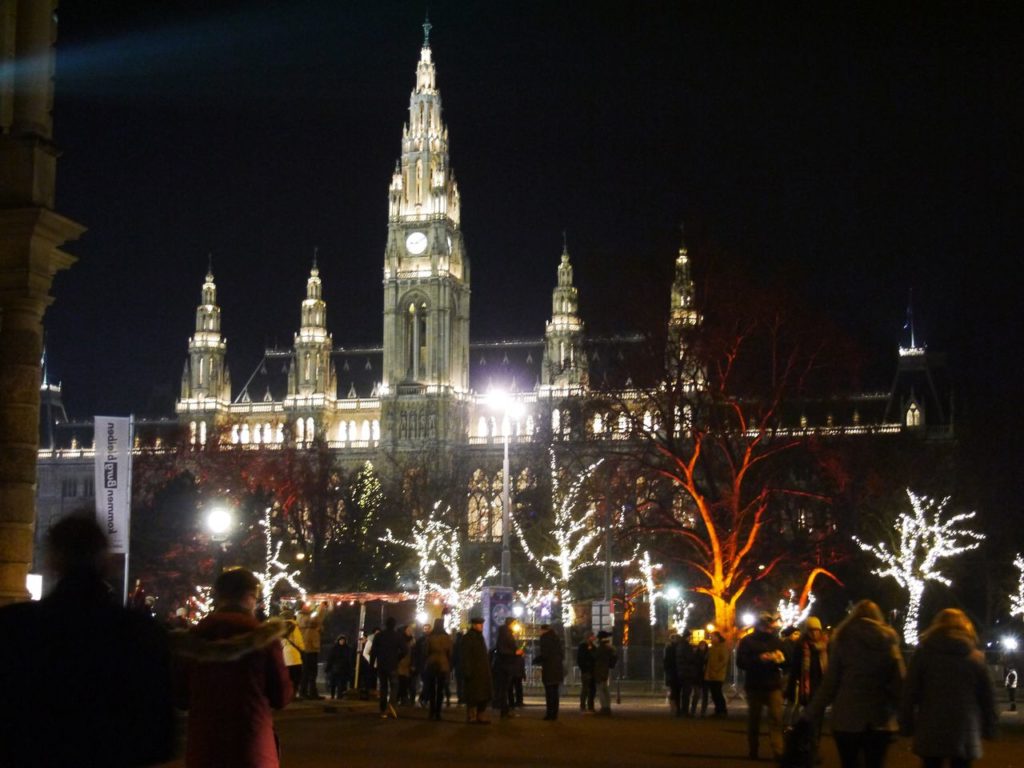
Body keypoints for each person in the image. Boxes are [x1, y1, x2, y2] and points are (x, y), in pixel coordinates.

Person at [0, 514, 175, 767]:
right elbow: (158, 736)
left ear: (52, 561)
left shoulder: (15, 626)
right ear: (106, 562)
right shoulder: (141, 632)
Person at [174, 568, 293, 768]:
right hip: (252, 748)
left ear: (219, 596)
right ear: (249, 596)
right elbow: (282, 696)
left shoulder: (191, 639)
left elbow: (180, 697)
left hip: (204, 748)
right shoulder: (264, 639)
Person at [805, 599, 904, 768]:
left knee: (850, 762)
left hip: (847, 717)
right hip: (879, 717)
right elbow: (899, 680)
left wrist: (811, 711)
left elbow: (830, 683)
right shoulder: (888, 640)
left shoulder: (843, 639)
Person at [899, 608, 997, 768]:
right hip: (964, 727)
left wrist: (906, 722)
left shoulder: (923, 655)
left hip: (930, 725)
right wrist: (990, 726)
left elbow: (909, 691)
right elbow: (987, 697)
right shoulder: (975, 658)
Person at [736, 612, 786, 761]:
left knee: (776, 719)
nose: (769, 629)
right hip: (755, 685)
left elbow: (787, 659)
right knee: (754, 719)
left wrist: (780, 659)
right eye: (766, 626)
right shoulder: (747, 641)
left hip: (773, 684)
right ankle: (753, 749)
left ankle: (778, 751)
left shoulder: (776, 641)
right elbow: (741, 662)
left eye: (770, 627)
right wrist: (759, 659)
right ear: (759, 626)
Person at [371, 616, 406, 718]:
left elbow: (373, 651)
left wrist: (372, 664)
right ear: (394, 624)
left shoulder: (379, 636)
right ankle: (392, 703)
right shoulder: (397, 636)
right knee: (394, 686)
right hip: (393, 665)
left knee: (383, 687)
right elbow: (405, 650)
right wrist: (398, 658)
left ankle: (382, 709)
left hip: (381, 664)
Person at [462, 616, 493, 724]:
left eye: (482, 624)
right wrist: (467, 670)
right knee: (473, 696)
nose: (481, 626)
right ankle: (472, 716)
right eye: (480, 624)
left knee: (482, 695)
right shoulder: (468, 638)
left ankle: (480, 715)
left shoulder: (480, 637)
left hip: (482, 671)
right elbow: (466, 656)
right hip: (474, 671)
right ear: (474, 625)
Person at [423, 618, 453, 719]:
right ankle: (438, 712)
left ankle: (431, 711)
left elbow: (426, 651)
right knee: (440, 689)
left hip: (431, 663)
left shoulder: (430, 637)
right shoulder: (446, 637)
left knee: (431, 689)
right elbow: (450, 652)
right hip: (443, 664)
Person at [297, 601, 327, 699]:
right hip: (307, 647)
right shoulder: (301, 617)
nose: (309, 606)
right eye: (306, 605)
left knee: (313, 672)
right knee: (306, 671)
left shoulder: (308, 617)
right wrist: (321, 609)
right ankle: (304, 692)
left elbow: (317, 623)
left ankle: (311, 692)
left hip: (312, 647)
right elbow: (314, 621)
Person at [535, 624, 565, 720]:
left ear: (543, 630)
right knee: (555, 693)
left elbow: (545, 654)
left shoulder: (545, 638)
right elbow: (561, 654)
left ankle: (549, 714)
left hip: (549, 669)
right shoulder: (556, 638)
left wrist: (536, 660)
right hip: (557, 669)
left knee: (549, 693)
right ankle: (554, 714)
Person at [495, 615, 522, 718]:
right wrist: (515, 653)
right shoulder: (505, 634)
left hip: (507, 664)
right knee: (504, 689)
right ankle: (504, 710)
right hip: (505, 665)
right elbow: (503, 650)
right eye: (514, 623)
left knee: (505, 689)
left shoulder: (506, 633)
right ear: (510, 624)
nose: (516, 625)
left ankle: (505, 710)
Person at [675, 629, 703, 718]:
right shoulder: (686, 646)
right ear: (688, 637)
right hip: (687, 672)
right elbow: (690, 658)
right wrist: (695, 655)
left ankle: (682, 711)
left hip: (682, 671)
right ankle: (685, 711)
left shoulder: (680, 645)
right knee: (687, 692)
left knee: (684, 692)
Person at [704, 630, 730, 717]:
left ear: (718, 638)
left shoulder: (722, 647)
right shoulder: (713, 647)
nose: (711, 638)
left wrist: (715, 669)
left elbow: (723, 661)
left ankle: (722, 710)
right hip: (712, 674)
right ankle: (718, 710)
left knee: (717, 692)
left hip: (718, 674)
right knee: (714, 693)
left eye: (713, 637)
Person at [280, 609, 305, 695]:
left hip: (284, 654)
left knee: (287, 677)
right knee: (296, 677)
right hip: (294, 655)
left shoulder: (280, 628)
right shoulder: (294, 627)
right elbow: (298, 640)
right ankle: (293, 694)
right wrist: (302, 648)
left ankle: (286, 694)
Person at [593, 630, 618, 715]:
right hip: (605, 670)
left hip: (600, 670)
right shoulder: (609, 648)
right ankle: (607, 706)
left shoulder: (601, 648)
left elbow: (595, 656)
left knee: (601, 689)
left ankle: (604, 707)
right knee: (605, 689)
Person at [325, 634, 354, 699]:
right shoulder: (334, 648)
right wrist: (328, 668)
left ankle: (340, 696)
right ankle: (333, 695)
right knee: (333, 684)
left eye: (343, 640)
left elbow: (349, 659)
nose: (342, 642)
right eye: (341, 640)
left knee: (341, 684)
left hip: (343, 669)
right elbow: (330, 658)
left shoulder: (347, 649)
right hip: (335, 669)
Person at [577, 630, 597, 712]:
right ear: (589, 637)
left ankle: (589, 705)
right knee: (586, 688)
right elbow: (581, 659)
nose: (594, 637)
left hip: (591, 670)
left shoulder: (592, 646)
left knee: (591, 689)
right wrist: (585, 668)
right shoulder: (583, 646)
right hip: (587, 670)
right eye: (593, 636)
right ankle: (584, 705)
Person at [663, 634, 681, 715]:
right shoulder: (672, 648)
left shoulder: (669, 648)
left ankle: (674, 708)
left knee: (675, 691)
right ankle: (675, 708)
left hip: (673, 672)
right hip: (675, 672)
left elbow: (666, 661)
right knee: (675, 691)